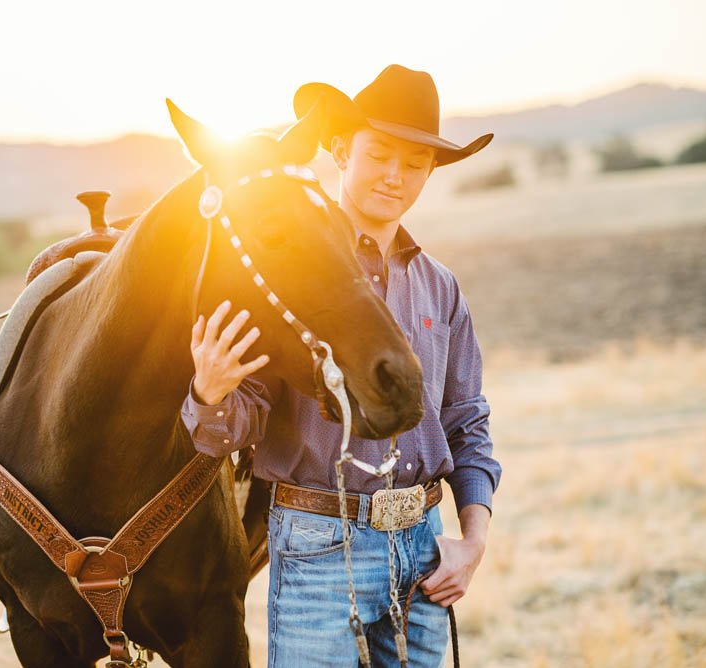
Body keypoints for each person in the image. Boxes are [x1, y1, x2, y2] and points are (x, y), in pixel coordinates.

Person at [180, 64, 502, 667]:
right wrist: (211, 392)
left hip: (425, 547)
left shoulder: (440, 288)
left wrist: (473, 540)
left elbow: (467, 420)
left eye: (415, 164)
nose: (395, 176)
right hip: (317, 545)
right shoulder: (281, 274)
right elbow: (230, 428)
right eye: (379, 154)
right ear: (337, 150)